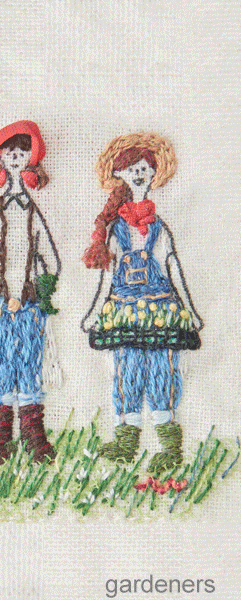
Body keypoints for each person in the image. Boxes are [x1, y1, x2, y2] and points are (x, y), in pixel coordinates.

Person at [82, 132, 202, 474]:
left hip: (162, 309)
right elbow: (107, 275)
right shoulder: (116, 229)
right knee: (127, 371)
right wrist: (95, 311)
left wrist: (190, 310)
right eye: (131, 168)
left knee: (163, 371)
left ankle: (170, 446)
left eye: (144, 169)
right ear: (119, 174)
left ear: (153, 175)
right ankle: (126, 442)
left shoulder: (159, 228)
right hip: (123, 310)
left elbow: (172, 267)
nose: (138, 174)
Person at [0, 121, 61, 466]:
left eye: (22, 152)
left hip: (27, 307)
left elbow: (51, 259)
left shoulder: (32, 212)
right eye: (9, 152)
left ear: (29, 160)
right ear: (0, 159)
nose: (15, 157)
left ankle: (34, 437)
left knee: (28, 366)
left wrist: (42, 289)